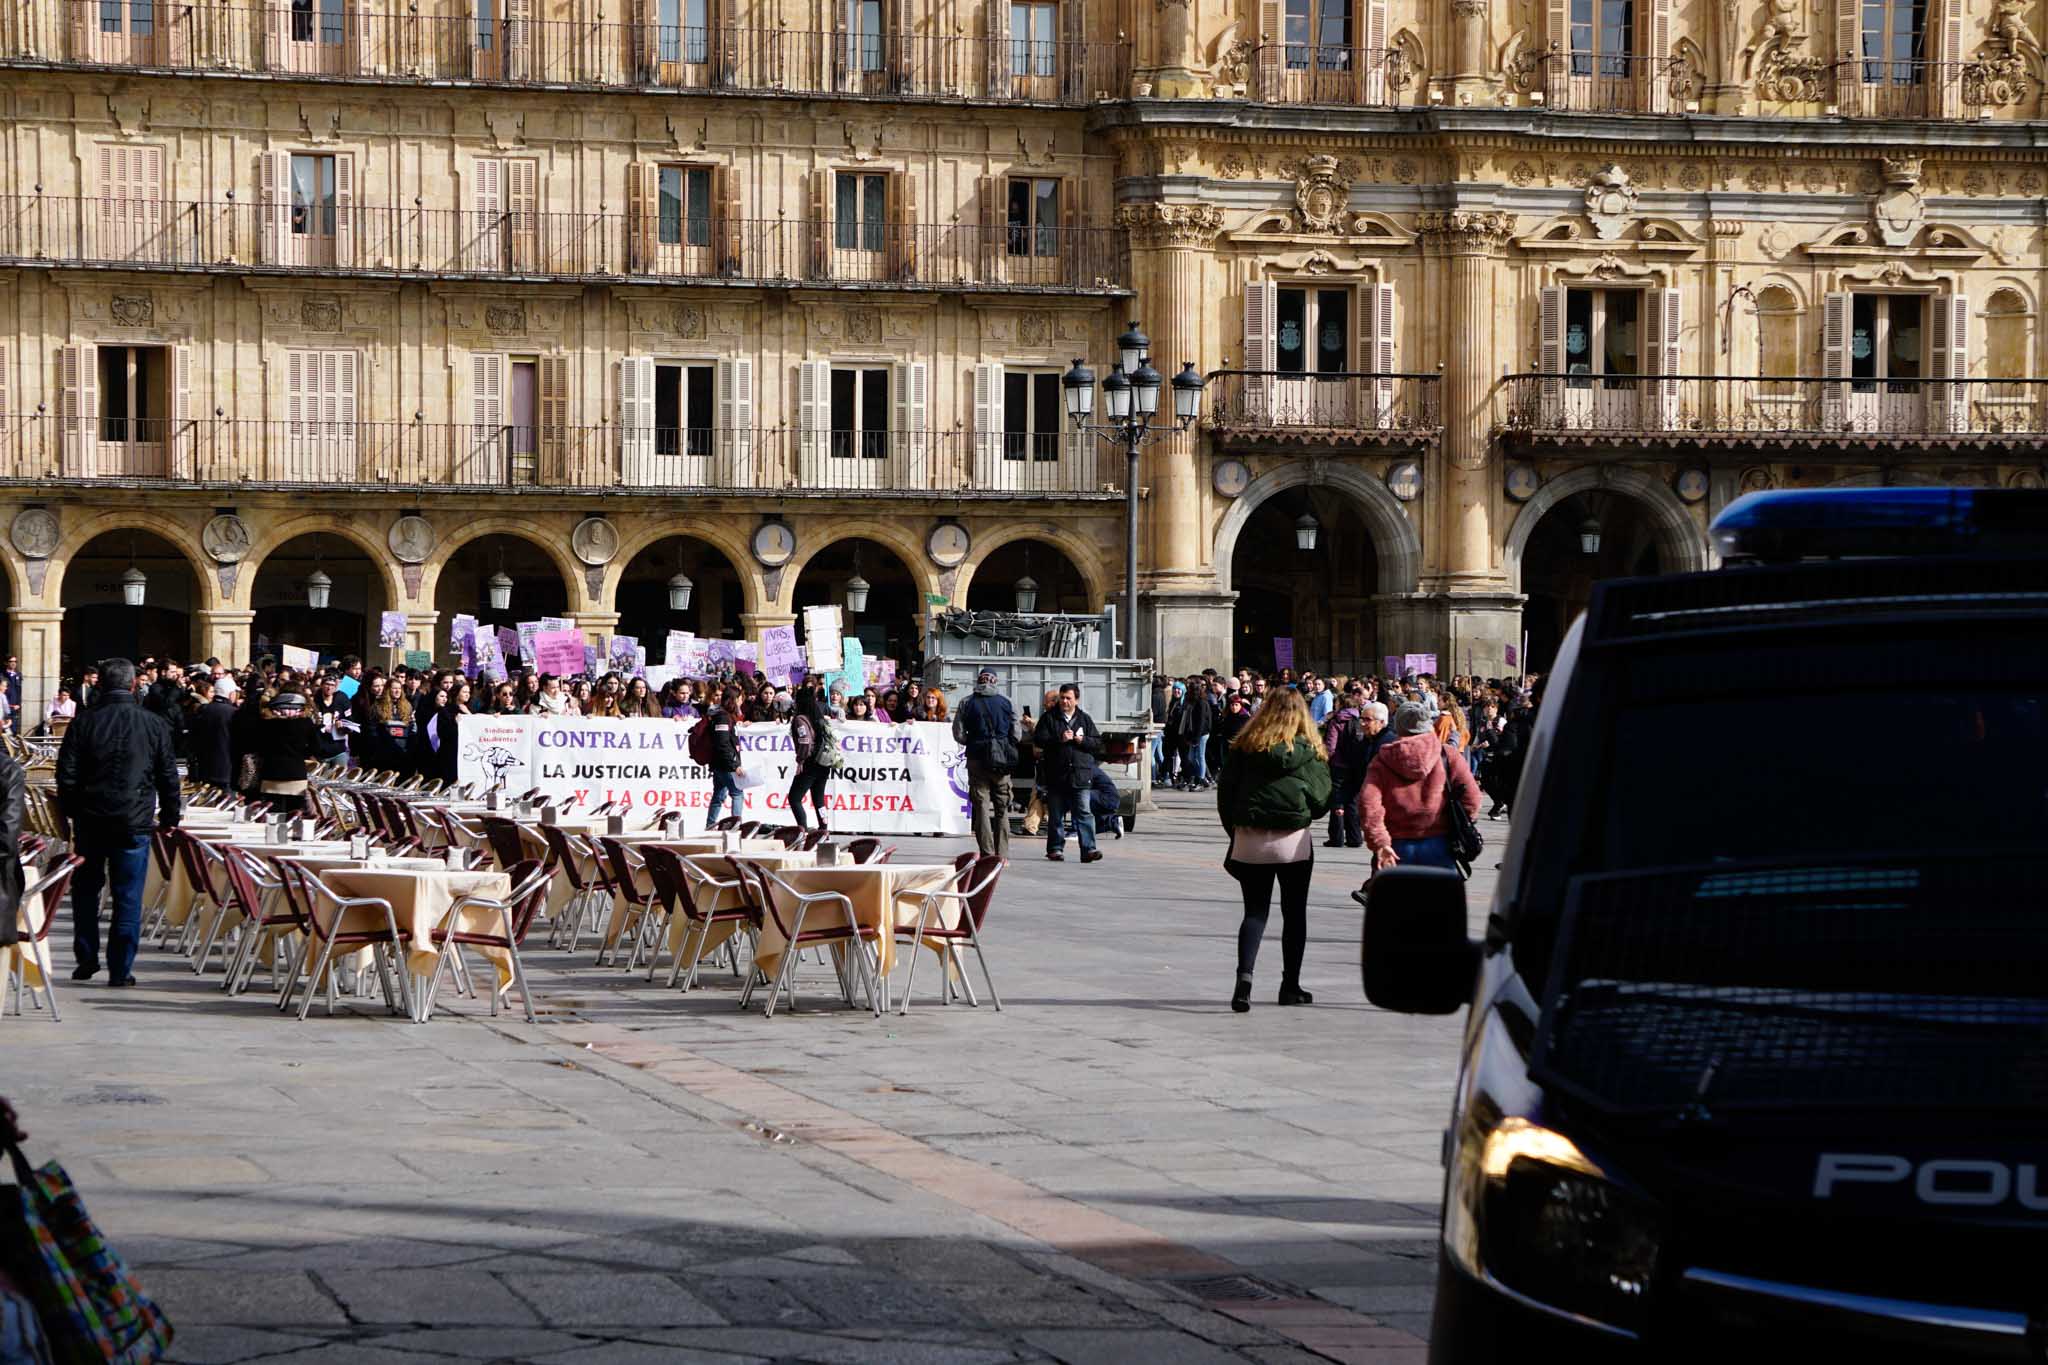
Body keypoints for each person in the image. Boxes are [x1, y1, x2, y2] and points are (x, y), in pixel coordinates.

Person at [55, 658, 179, 987]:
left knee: (85, 890)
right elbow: (168, 776)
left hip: (91, 819)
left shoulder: (83, 723)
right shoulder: (154, 725)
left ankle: (86, 957)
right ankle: (120, 968)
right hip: (134, 820)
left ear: (100, 685)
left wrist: (70, 814)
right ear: (134, 685)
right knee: (127, 896)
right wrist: (170, 817)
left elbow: (65, 775)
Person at [1216, 687, 1330, 1013]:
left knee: (1254, 912)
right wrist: (1302, 798)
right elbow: (1323, 801)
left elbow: (1226, 795)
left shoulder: (1244, 747)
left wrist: (1235, 832)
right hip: (1293, 842)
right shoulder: (1310, 750)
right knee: (1294, 914)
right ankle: (1290, 985)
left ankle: (1244, 980)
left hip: (1250, 839)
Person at [1360, 702, 1480, 873]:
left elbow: (1369, 805)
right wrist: (1461, 823)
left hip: (1396, 844)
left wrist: (1380, 842)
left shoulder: (1383, 758)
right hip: (1440, 842)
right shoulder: (1446, 754)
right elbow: (1472, 797)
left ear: (1398, 726)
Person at [1032, 683, 1103, 863]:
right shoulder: (1049, 718)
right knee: (1056, 814)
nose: (1064, 701)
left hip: (1080, 774)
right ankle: (1055, 849)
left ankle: (1089, 849)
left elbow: (1097, 743)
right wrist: (1060, 739)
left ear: (1076, 700)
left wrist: (1082, 740)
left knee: (1084, 813)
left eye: (1068, 698)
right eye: (1062, 698)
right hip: (1057, 775)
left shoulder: (1084, 719)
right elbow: (1039, 739)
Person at [951, 667, 1016, 857]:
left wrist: (973, 741)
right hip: (1001, 761)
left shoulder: (966, 702)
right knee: (1002, 809)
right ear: (995, 681)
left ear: (979, 681)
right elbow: (1017, 732)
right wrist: (1004, 744)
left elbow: (958, 733)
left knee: (981, 809)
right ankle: (1002, 856)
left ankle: (987, 855)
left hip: (977, 760)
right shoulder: (1006, 702)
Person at [255, 691, 345, 813]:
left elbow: (260, 748)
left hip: (271, 774)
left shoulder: (266, 724)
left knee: (272, 815)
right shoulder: (306, 723)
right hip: (296, 774)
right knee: (295, 814)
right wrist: (301, 752)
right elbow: (317, 748)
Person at [1324, 696, 1387, 850]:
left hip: (1339, 765)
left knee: (1338, 800)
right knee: (1352, 801)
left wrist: (1329, 759)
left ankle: (1337, 837)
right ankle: (1355, 837)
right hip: (1354, 765)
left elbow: (1331, 746)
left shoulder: (1337, 721)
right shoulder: (1361, 722)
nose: (1363, 723)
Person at [785, 685, 835, 830]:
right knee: (819, 799)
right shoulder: (818, 717)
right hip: (824, 763)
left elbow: (805, 741)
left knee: (794, 798)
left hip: (811, 763)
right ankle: (823, 828)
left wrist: (801, 760)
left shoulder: (800, 719)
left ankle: (802, 829)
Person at [702, 685, 745, 826]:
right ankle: (735, 826)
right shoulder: (723, 718)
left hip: (719, 764)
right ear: (734, 699)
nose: (741, 701)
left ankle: (710, 825)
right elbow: (722, 744)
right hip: (725, 765)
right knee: (737, 793)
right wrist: (734, 766)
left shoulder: (723, 716)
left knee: (718, 796)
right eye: (739, 698)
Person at [186, 674, 237, 790]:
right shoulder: (233, 713)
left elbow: (193, 738)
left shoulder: (202, 709)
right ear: (230, 694)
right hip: (226, 769)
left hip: (204, 768)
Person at [1172, 673, 1214, 791]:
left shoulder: (1201, 702)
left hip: (1201, 733)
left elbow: (1201, 722)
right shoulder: (1191, 701)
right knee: (1191, 756)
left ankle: (1201, 779)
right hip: (1194, 733)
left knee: (1199, 756)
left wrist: (1196, 737)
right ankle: (1199, 778)